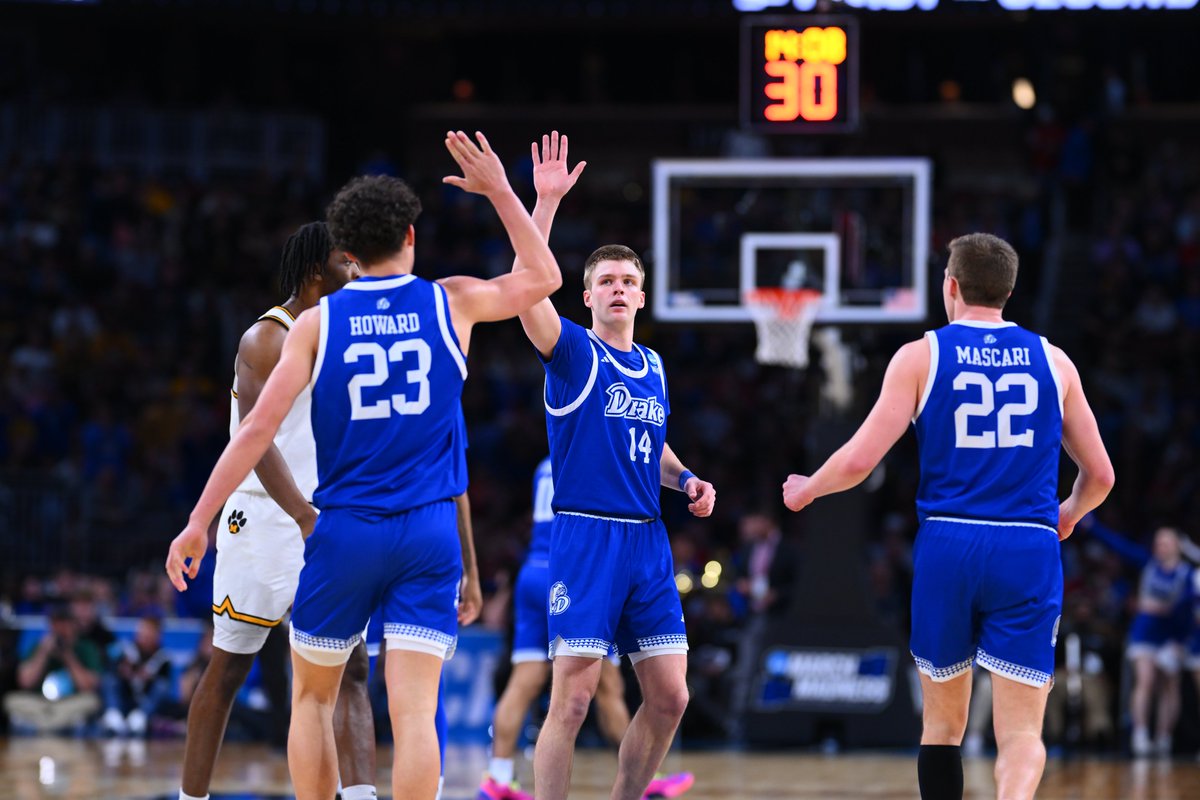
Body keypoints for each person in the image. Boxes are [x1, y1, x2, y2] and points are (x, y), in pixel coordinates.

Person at [167, 129, 562, 800]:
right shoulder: (452, 300)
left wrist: (198, 521)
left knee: (312, 699)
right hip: (428, 531)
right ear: (411, 235)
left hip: (346, 528)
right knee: (413, 715)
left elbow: (253, 431)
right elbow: (544, 277)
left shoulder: (317, 325)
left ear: (347, 251)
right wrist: (503, 191)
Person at [782, 233, 1115, 800]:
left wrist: (809, 488)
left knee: (942, 727)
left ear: (951, 285)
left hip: (949, 544)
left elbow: (860, 461)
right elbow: (1101, 476)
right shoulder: (1054, 361)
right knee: (1021, 733)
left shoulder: (921, 355)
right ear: (1008, 290)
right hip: (1026, 546)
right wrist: (1069, 513)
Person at [513, 132, 715, 800]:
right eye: (607, 282)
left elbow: (651, 447)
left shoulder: (652, 365)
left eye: (629, 281)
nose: (619, 288)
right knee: (571, 702)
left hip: (646, 539)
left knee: (671, 696)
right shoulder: (574, 353)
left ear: (642, 297)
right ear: (588, 297)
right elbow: (525, 293)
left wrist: (685, 478)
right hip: (586, 536)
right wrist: (545, 205)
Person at [165, 221, 377, 800]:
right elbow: (257, 442)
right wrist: (305, 516)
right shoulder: (267, 337)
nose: (356, 271)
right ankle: (191, 797)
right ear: (314, 271)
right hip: (263, 519)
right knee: (230, 666)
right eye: (346, 262)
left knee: (352, 667)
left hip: (326, 518)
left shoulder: (341, 338)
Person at [478, 457, 693, 800]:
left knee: (524, 682)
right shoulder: (594, 453)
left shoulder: (547, 463)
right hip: (580, 566)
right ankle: (646, 776)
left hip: (534, 569)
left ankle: (498, 776)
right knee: (603, 689)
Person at [1080, 518, 1194, 756]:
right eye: (1158, 542)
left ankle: (1164, 737)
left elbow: (1188, 611)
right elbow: (1120, 545)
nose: (1160, 547)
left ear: (1178, 545)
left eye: (1166, 542)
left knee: (1169, 685)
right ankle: (1140, 734)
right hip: (1144, 633)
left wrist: (1171, 622)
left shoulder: (1188, 575)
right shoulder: (1148, 563)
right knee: (1145, 680)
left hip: (1172, 636)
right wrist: (1093, 527)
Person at [3, 602, 102, 733]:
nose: (60, 628)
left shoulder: (86, 648)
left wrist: (68, 657)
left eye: (65, 623)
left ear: (74, 625)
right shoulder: (38, 647)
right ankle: (59, 725)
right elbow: (25, 682)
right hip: (41, 703)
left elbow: (87, 687)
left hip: (70, 703)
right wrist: (42, 653)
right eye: (56, 623)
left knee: (91, 701)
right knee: (11, 700)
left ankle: (43, 725)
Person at [101, 613, 174, 737]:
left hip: (146, 702)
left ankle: (141, 716)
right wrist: (124, 671)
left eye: (149, 633)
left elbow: (164, 685)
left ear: (157, 636)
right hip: (126, 698)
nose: (144, 636)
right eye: (142, 632)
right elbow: (112, 669)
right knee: (109, 680)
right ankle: (113, 714)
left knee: (161, 686)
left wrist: (148, 677)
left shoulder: (163, 658)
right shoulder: (126, 651)